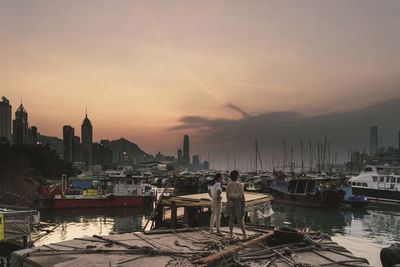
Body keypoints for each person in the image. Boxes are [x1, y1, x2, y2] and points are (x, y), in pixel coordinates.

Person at [226, 170, 247, 239]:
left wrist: (229, 201)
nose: (239, 175)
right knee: (241, 219)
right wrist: (244, 204)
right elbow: (242, 195)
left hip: (231, 200)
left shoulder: (228, 184)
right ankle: (244, 234)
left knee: (231, 218)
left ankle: (231, 234)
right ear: (236, 176)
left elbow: (227, 194)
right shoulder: (239, 184)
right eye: (238, 174)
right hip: (238, 200)